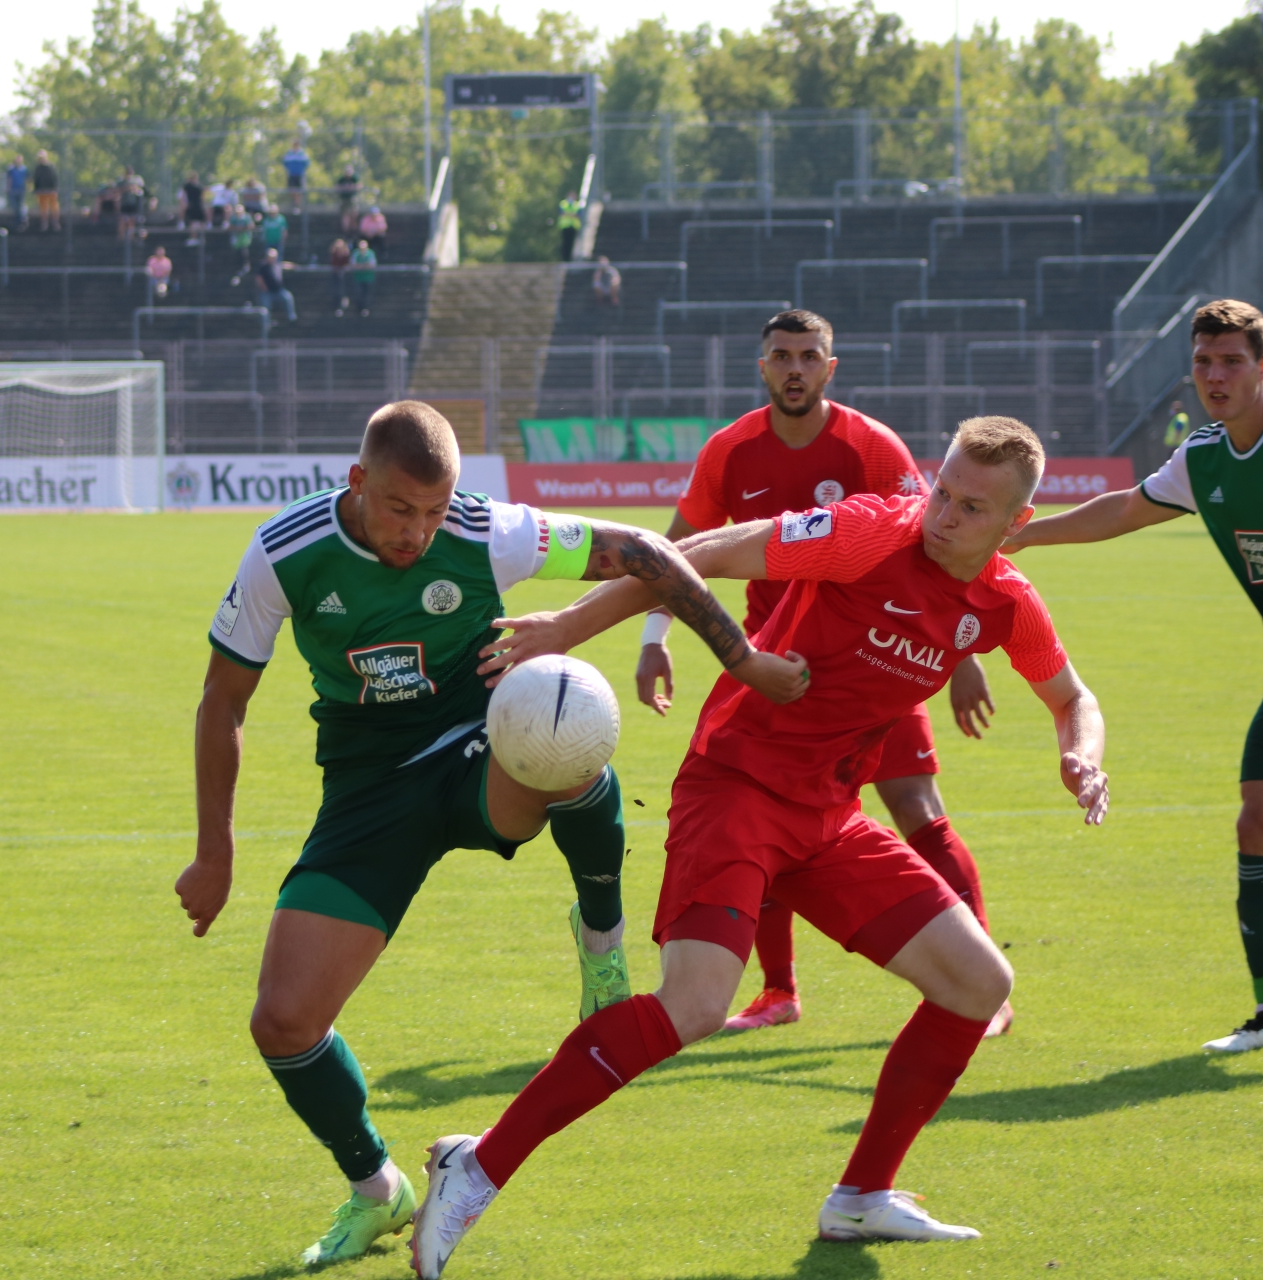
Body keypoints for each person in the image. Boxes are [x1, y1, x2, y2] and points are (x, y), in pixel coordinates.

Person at [409, 416, 1109, 1276]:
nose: (943, 516)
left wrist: (1082, 753)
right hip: (736, 787)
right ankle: (475, 1168)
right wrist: (573, 626)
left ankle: (859, 1200)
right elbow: (695, 553)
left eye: (971, 508)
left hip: (829, 816)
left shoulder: (1004, 602)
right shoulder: (863, 533)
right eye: (941, 491)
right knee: (697, 1004)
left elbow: (1075, 697)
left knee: (977, 983)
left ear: (1017, 524)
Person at [174, 401, 807, 1268]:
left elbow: (649, 552)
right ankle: (378, 1190)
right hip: (369, 786)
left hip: (484, 752)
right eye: (401, 511)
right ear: (358, 483)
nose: (420, 532)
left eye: (436, 512)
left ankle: (602, 944)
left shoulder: (486, 530)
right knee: (283, 1020)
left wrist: (742, 659)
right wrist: (216, 850)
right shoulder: (285, 552)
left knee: (564, 708)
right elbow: (224, 702)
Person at [1005, 298, 1263, 1054]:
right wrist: (1026, 538)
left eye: (1232, 361)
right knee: (1258, 822)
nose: (1215, 375)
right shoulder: (1202, 455)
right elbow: (1124, 510)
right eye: (1204, 362)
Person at [638, 310, 1005, 1035]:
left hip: (882, 661)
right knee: (759, 819)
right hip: (774, 669)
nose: (795, 368)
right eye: (782, 356)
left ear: (831, 368)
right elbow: (680, 545)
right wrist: (656, 635)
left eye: (809, 356)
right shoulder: (730, 451)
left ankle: (986, 984)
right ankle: (779, 993)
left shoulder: (871, 446)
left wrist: (961, 658)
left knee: (916, 807)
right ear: (763, 366)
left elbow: (944, 550)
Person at [255, 247, 297, 323]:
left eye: (273, 257)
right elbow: (258, 278)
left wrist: (292, 266)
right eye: (270, 257)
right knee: (266, 306)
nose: (272, 258)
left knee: (288, 297)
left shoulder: (276, 265)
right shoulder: (263, 266)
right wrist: (263, 287)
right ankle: (266, 323)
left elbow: (284, 265)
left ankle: (291, 318)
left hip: (278, 291)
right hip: (267, 292)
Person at [227, 204, 256, 287]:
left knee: (244, 253)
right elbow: (230, 227)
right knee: (236, 255)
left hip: (244, 239)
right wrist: (238, 228)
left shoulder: (246, 217)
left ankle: (245, 266)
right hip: (236, 241)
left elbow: (251, 226)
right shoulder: (234, 218)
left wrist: (242, 228)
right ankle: (237, 268)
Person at [32, 150, 60, 232]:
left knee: (54, 207)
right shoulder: (38, 168)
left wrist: (55, 189)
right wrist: (36, 189)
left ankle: (55, 222)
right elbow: (36, 179)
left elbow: (55, 178)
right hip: (41, 191)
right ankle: (44, 223)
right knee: (43, 207)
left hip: (51, 191)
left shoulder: (51, 166)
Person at [349, 239, 376, 317]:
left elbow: (372, 265)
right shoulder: (355, 253)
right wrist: (364, 266)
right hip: (358, 278)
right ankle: (359, 308)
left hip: (368, 277)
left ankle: (366, 308)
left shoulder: (370, 253)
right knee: (358, 293)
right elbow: (353, 265)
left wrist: (360, 266)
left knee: (367, 294)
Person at [116, 168, 145, 241]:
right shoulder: (121, 182)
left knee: (131, 221)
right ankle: (121, 237)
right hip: (124, 204)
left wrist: (134, 188)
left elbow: (139, 191)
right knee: (122, 220)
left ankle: (130, 237)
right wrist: (127, 188)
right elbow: (117, 191)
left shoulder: (134, 182)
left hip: (132, 204)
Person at [282, 141, 310, 212]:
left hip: (299, 175)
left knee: (299, 191)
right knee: (291, 189)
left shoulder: (302, 153)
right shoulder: (289, 153)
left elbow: (307, 163)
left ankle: (298, 206)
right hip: (291, 174)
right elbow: (285, 163)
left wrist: (301, 170)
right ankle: (294, 203)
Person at [328, 237, 352, 314]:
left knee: (343, 291)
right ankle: (337, 305)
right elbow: (332, 264)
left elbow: (348, 265)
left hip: (346, 277)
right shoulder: (333, 253)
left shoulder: (346, 254)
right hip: (335, 276)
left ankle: (344, 304)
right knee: (336, 291)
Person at [5, 155, 29, 230]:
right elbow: (9, 179)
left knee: (20, 205)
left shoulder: (24, 169)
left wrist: (28, 187)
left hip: (21, 190)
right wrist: (8, 188)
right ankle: (18, 221)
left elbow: (27, 179)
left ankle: (23, 220)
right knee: (15, 206)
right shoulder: (11, 169)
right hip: (13, 190)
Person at [557, 191, 583, 262]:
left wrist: (567, 214)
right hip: (565, 226)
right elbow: (561, 213)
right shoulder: (563, 203)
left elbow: (579, 215)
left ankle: (570, 259)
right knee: (565, 243)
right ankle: (564, 259)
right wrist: (572, 215)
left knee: (572, 244)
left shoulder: (577, 205)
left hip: (573, 227)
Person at [182, 171, 206, 244]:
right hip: (194, 205)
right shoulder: (191, 186)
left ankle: (199, 237)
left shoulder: (196, 186)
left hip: (196, 205)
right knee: (194, 222)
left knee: (199, 222)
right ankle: (194, 237)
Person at [336, 165, 361, 233]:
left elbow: (358, 186)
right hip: (344, 199)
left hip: (352, 198)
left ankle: (353, 227)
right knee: (345, 214)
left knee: (354, 213)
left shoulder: (354, 178)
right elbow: (337, 187)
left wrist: (350, 188)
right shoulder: (342, 179)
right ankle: (345, 229)